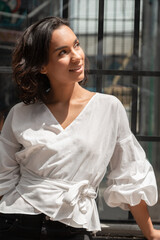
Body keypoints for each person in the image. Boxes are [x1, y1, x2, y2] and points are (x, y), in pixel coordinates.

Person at [0, 16, 159, 240]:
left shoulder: (109, 108)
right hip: (16, 222)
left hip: (74, 225)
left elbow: (129, 173)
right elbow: (3, 178)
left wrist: (150, 233)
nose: (77, 57)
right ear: (42, 66)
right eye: (62, 52)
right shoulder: (20, 113)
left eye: (76, 45)